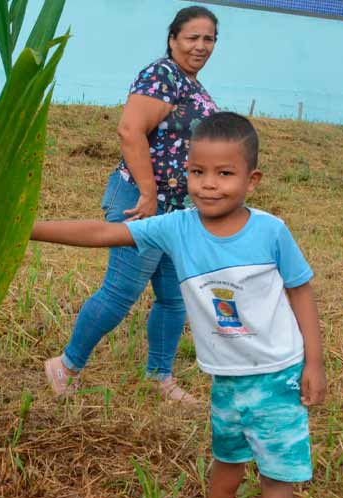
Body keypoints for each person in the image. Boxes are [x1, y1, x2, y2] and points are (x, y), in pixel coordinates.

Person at [31, 113, 326, 498]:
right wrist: (27, 228)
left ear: (252, 179)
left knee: (277, 475)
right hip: (226, 378)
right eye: (197, 172)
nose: (209, 185)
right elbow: (105, 233)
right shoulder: (176, 227)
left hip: (277, 373)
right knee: (227, 459)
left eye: (225, 174)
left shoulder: (272, 232)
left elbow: (301, 291)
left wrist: (314, 362)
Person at [43, 5, 220, 404]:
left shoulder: (193, 85)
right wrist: (147, 193)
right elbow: (130, 129)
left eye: (209, 39)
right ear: (173, 39)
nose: (201, 46)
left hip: (179, 212)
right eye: (192, 37)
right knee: (120, 291)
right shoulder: (161, 75)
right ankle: (65, 365)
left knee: (175, 297)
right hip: (141, 202)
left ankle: (160, 376)